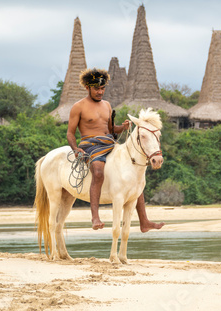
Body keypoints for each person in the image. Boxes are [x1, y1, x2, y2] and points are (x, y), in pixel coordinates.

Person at [66, 68, 164, 232]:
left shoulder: (107, 105)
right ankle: (95, 217)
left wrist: (122, 127)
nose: (100, 92)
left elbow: (111, 130)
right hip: (89, 145)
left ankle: (144, 221)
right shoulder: (78, 107)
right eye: (97, 88)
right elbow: (70, 133)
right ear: (88, 88)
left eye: (103, 88)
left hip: (109, 143)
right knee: (98, 171)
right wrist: (75, 149)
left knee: (134, 176)